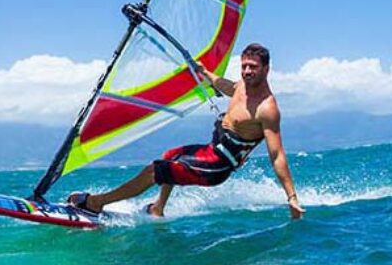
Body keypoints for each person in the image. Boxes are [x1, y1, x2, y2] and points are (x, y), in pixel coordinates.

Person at [68, 43, 304, 219]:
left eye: (253, 67)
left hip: (217, 165)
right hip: (211, 150)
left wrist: (291, 198)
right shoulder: (243, 85)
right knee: (170, 154)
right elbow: (227, 87)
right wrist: (204, 73)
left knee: (155, 171)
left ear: (266, 69)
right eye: (244, 66)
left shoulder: (267, 108)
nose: (247, 71)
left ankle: (96, 203)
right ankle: (158, 208)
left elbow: (277, 155)